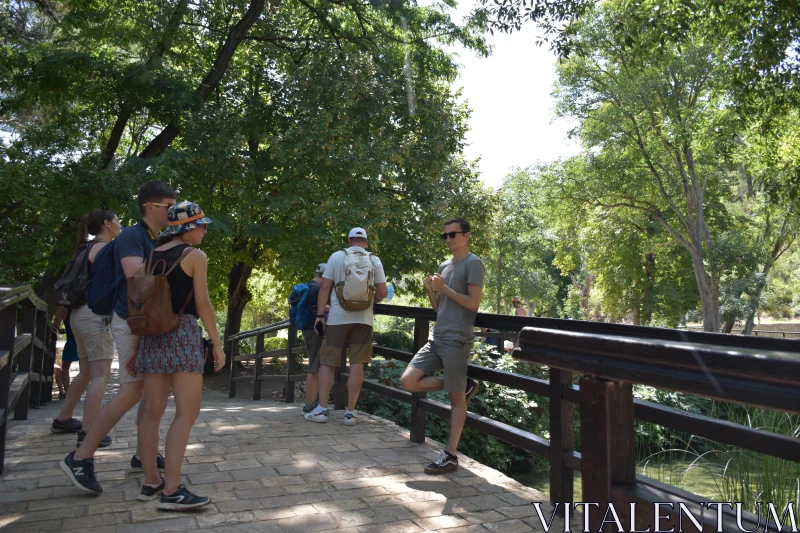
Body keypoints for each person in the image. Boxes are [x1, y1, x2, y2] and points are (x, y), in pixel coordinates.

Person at [61, 181, 176, 494]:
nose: (173, 211)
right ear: (150, 206)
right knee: (131, 391)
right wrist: (179, 258)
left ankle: (144, 453)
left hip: (142, 322)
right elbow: (134, 274)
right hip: (129, 322)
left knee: (144, 391)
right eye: (168, 205)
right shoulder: (132, 236)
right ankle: (80, 457)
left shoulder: (152, 237)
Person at [126, 201, 225, 509]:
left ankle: (151, 481)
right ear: (188, 227)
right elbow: (203, 304)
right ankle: (172, 491)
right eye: (202, 225)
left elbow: (138, 303)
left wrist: (134, 349)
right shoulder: (195, 256)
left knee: (151, 412)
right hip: (181, 334)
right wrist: (217, 344)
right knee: (187, 413)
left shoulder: (151, 255)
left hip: (152, 337)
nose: (205, 231)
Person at [400, 217, 485, 475]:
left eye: (453, 234)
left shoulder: (474, 264)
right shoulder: (444, 265)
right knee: (408, 381)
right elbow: (440, 308)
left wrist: (444, 288)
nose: (448, 239)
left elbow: (473, 304)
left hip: (457, 338)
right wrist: (431, 291)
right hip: (437, 338)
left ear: (467, 235)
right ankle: (463, 384)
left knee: (455, 397)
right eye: (445, 235)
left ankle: (449, 455)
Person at [51, 210, 121, 447]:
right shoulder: (103, 249)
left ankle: (63, 419)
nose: (120, 226)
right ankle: (89, 432)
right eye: (117, 221)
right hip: (94, 316)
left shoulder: (85, 248)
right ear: (106, 224)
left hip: (78, 315)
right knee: (101, 374)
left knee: (87, 372)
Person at [305, 228, 387, 425]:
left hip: (337, 317)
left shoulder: (337, 256)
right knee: (357, 363)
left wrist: (319, 316)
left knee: (328, 362)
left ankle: (322, 410)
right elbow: (383, 292)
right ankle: (350, 413)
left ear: (349, 240)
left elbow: (325, 287)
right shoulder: (374, 260)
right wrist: (368, 302)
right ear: (366, 242)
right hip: (363, 320)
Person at [301, 263, 328, 415]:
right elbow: (317, 309)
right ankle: (309, 405)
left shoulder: (309, 286)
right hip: (314, 331)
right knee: (314, 366)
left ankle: (310, 404)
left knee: (315, 365)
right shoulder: (316, 289)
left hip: (308, 330)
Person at [53, 307, 80, 399]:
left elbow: (54, 327)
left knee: (65, 367)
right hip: (84, 341)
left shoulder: (63, 309)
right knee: (85, 369)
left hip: (71, 342)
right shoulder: (85, 306)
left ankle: (68, 392)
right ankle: (78, 391)